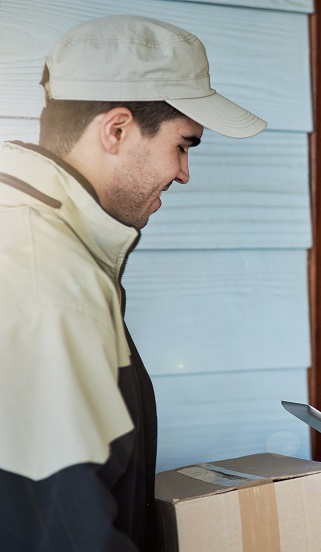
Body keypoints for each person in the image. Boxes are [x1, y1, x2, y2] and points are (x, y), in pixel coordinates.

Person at [0, 15, 266, 551]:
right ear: (116, 130)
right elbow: (59, 528)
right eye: (184, 145)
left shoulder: (40, 240)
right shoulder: (45, 277)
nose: (184, 173)